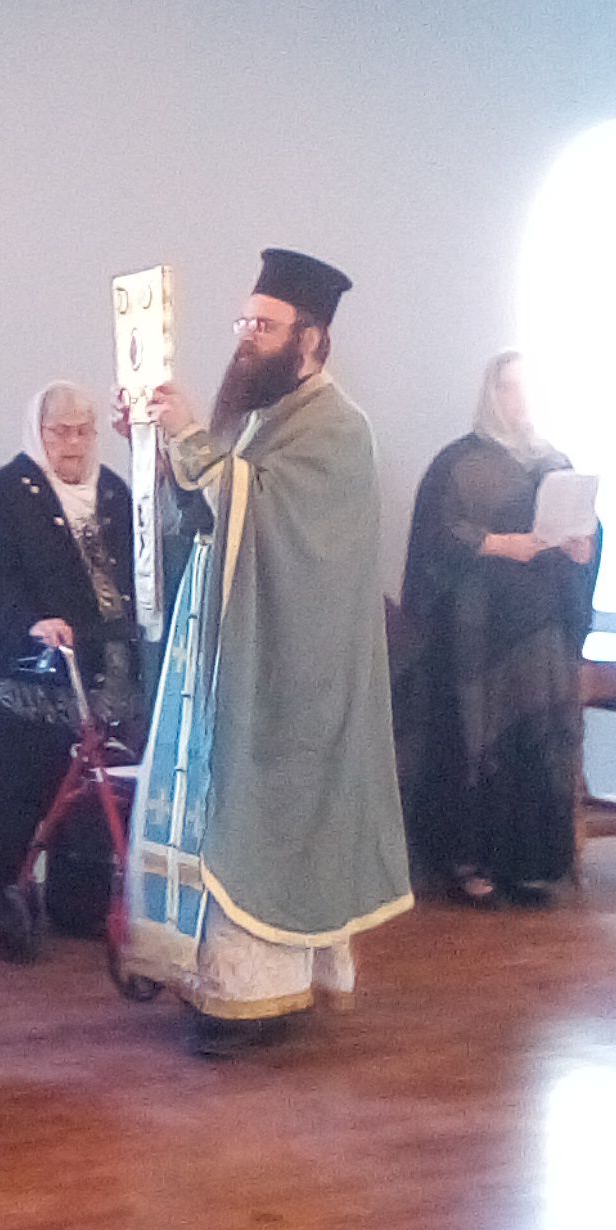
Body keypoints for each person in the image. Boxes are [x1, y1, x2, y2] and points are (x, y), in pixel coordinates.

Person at [125, 248, 411, 1051]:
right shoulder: (259, 415)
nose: (246, 337)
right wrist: (159, 447)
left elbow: (275, 520)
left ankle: (261, 998)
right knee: (221, 804)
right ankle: (212, 981)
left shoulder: (339, 429)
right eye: (243, 322)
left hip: (295, 668)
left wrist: (190, 440)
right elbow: (210, 514)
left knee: (264, 816)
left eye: (264, 325)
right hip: (233, 650)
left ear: (309, 338)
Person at [394, 350, 600, 904]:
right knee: (474, 739)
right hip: (475, 631)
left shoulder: (556, 463)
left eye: (527, 387)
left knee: (537, 739)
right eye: (509, 387)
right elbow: (435, 538)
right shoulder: (456, 464)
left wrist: (583, 549)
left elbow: (582, 533)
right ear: (491, 392)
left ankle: (529, 864)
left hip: (539, 630)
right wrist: (498, 544)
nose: (519, 399)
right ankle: (471, 863)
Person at [0, 381, 140, 941]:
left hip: (104, 669)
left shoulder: (114, 493)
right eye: (61, 431)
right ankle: (2, 909)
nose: (74, 443)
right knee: (14, 792)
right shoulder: (0, 494)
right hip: (31, 671)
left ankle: (80, 906)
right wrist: (31, 623)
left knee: (92, 790)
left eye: (84, 431)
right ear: (38, 432)